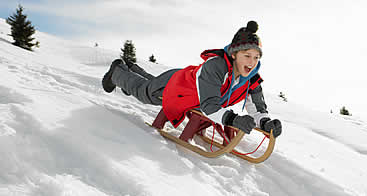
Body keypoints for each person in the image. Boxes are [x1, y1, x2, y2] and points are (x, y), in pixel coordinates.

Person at [102, 21, 282, 137]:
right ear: (234, 54)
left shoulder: (252, 78)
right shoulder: (216, 67)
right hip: (176, 86)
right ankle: (117, 71)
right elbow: (210, 107)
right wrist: (234, 120)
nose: (252, 62)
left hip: (192, 93)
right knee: (144, 92)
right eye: (247, 55)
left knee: (149, 84)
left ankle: (132, 68)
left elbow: (257, 107)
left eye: (256, 57)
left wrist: (266, 123)